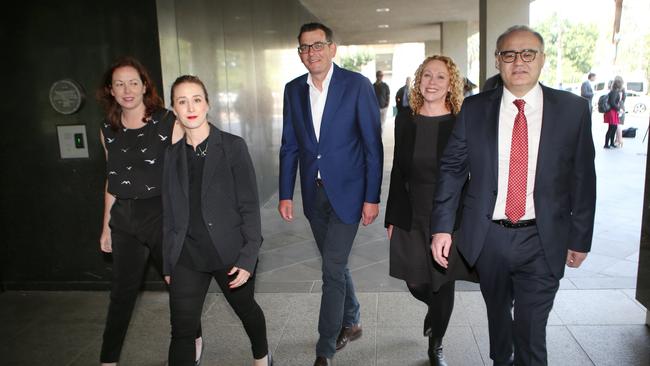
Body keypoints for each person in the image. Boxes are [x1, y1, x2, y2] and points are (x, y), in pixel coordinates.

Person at [430, 25, 596, 366]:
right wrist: (442, 227)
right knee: (499, 315)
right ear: (497, 61)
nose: (518, 61)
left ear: (541, 59)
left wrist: (580, 238)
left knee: (532, 330)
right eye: (509, 54)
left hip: (543, 237)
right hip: (488, 237)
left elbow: (583, 178)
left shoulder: (572, 110)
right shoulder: (475, 109)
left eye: (527, 54)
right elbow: (452, 169)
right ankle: (500, 358)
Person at [278, 22, 383, 366]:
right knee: (334, 265)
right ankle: (352, 318)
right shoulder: (293, 90)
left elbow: (372, 145)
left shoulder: (357, 85)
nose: (312, 53)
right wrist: (285, 193)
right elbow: (290, 146)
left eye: (318, 45)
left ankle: (325, 346)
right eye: (305, 48)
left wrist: (372, 197)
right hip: (313, 194)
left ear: (332, 48)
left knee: (332, 269)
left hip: (350, 194)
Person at [97, 57, 201, 366]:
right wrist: (106, 226)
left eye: (133, 82)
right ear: (111, 91)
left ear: (145, 86)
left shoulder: (169, 122)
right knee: (121, 294)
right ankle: (108, 360)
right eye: (119, 84)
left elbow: (187, 173)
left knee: (177, 284)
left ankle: (192, 338)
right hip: (124, 219)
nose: (127, 89)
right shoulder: (107, 129)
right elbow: (111, 178)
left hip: (162, 214)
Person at [162, 75, 271, 366]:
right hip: (187, 255)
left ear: (208, 104)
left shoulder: (232, 146)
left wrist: (248, 258)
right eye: (182, 101)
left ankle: (262, 357)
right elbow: (170, 213)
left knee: (246, 309)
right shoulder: (172, 155)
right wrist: (169, 260)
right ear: (174, 109)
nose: (190, 107)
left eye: (196, 99)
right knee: (182, 329)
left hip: (230, 252)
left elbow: (249, 206)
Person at [385, 55, 477, 366]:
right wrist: (392, 216)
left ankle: (436, 345)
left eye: (440, 76)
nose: (432, 82)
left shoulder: (461, 121)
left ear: (451, 83)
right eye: (426, 75)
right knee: (415, 281)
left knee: (442, 281)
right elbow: (398, 170)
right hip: (411, 211)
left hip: (448, 214)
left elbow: (471, 173)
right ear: (418, 80)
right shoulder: (405, 119)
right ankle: (434, 311)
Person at [604, 75, 624, 149]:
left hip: (613, 112)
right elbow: (612, 103)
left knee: (614, 127)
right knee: (611, 128)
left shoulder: (614, 91)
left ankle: (611, 143)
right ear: (619, 85)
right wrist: (619, 108)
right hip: (612, 112)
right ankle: (606, 144)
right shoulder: (614, 92)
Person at [614, 75, 627, 147]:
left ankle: (620, 140)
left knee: (617, 124)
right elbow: (624, 98)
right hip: (621, 106)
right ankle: (617, 140)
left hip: (617, 107)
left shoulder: (615, 89)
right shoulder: (623, 89)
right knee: (618, 123)